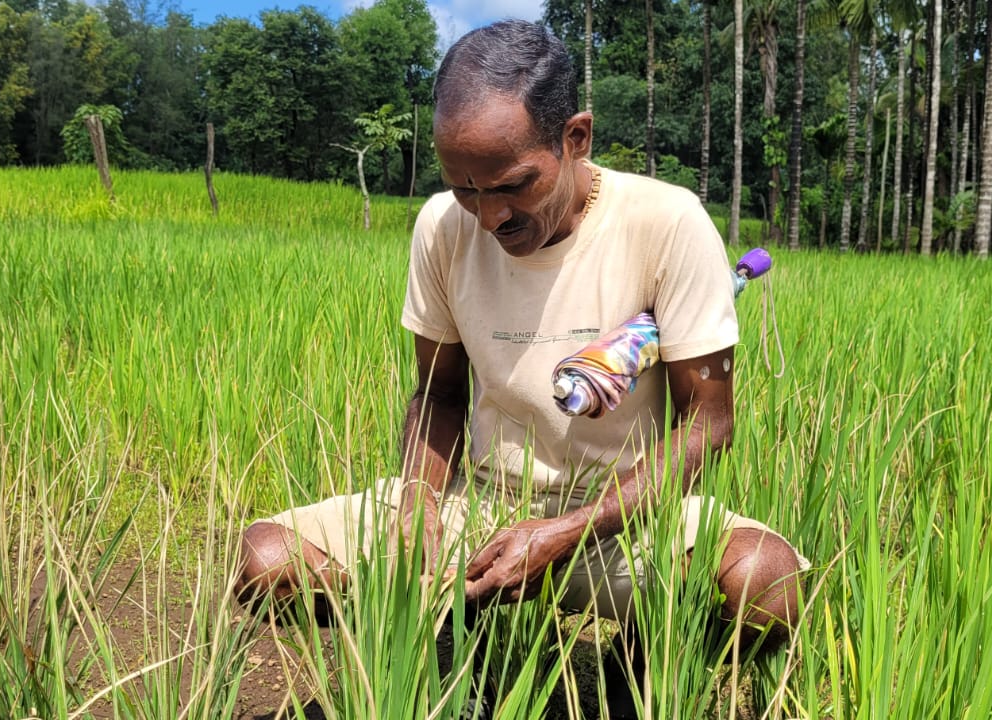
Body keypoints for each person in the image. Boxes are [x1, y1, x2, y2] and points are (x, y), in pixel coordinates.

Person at [237, 17, 807, 675]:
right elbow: (439, 393)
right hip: (475, 505)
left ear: (576, 137)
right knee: (268, 563)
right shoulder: (442, 228)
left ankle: (638, 673)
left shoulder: (667, 224)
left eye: (512, 185)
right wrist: (419, 504)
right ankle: (436, 645)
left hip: (619, 519)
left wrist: (569, 530)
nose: (490, 217)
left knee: (767, 587)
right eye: (465, 188)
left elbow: (709, 425)